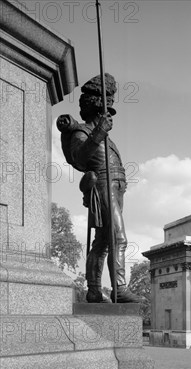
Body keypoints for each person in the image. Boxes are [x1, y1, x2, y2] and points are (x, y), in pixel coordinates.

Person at [57, 74, 139, 303]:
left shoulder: (106, 137)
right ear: (95, 108)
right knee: (118, 238)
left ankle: (93, 290)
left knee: (103, 242)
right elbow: (81, 159)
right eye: (106, 111)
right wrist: (99, 132)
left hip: (115, 188)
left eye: (110, 114)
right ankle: (119, 289)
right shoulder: (82, 132)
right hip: (103, 186)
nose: (108, 117)